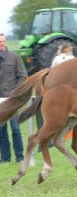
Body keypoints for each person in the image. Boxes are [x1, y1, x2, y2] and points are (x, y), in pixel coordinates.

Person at [0, 33, 27, 163]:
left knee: (15, 129)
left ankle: (20, 157)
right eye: (0, 41)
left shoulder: (15, 57)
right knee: (1, 130)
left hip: (12, 101)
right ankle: (5, 158)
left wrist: (14, 93)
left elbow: (23, 77)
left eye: (3, 41)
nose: (2, 43)